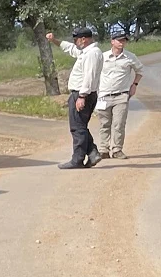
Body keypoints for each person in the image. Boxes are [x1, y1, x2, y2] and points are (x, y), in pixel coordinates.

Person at [47, 25, 103, 168]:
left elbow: (89, 77)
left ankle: (77, 159)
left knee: (77, 128)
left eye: (76, 39)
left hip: (83, 93)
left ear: (83, 39)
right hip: (81, 93)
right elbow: (70, 49)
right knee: (80, 126)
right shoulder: (86, 51)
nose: (75, 42)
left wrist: (82, 96)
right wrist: (55, 40)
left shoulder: (92, 54)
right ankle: (92, 153)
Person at [95, 23, 144, 160]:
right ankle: (103, 149)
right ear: (112, 41)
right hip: (104, 95)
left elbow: (140, 71)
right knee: (104, 124)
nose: (122, 43)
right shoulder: (102, 57)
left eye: (124, 40)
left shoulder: (130, 57)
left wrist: (134, 84)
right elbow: (93, 73)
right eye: (119, 40)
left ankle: (117, 149)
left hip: (121, 95)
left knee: (119, 124)